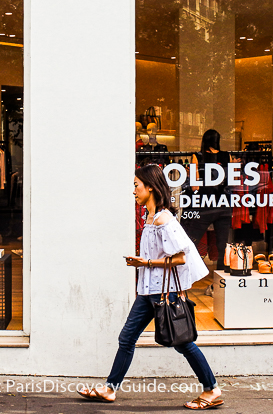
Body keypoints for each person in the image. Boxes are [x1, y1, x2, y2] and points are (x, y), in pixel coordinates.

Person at [77, 164, 223, 410]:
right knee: (127, 338)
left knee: (183, 342)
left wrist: (145, 262)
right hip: (148, 292)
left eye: (136, 186)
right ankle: (109, 389)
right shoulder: (150, 217)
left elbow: (181, 257)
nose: (133, 191)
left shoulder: (164, 219)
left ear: (151, 188)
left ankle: (212, 389)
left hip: (163, 293)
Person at [181, 129, 233, 272]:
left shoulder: (197, 156)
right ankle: (222, 277)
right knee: (222, 244)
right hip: (223, 204)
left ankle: (187, 272)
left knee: (192, 240)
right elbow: (230, 181)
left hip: (204, 204)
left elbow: (195, 185)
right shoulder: (227, 156)